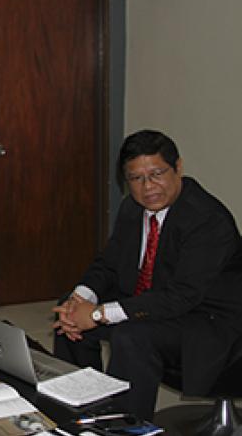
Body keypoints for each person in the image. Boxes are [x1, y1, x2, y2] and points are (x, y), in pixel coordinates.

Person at [52, 129, 242, 420]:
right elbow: (109, 264)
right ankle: (82, 410)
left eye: (157, 173)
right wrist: (80, 299)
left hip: (209, 322)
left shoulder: (206, 220)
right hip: (158, 303)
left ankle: (127, 426)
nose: (148, 187)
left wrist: (98, 314)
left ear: (178, 167)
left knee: (132, 335)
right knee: (68, 311)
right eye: (136, 179)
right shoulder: (133, 208)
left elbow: (181, 297)